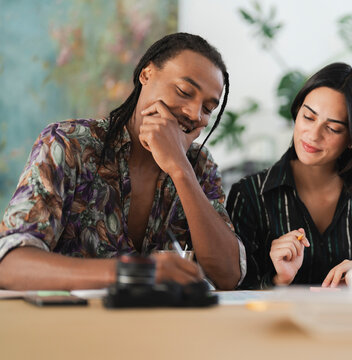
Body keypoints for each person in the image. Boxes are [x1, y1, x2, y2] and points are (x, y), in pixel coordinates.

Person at [0, 33, 245, 290]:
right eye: (184, 91)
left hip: (166, 330)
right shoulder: (67, 144)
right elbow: (9, 263)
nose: (194, 114)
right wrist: (133, 273)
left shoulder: (200, 165)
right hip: (72, 326)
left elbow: (228, 275)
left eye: (207, 109)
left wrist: (180, 168)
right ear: (146, 74)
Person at [226, 62, 352, 289]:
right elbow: (231, 288)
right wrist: (279, 280)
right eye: (308, 117)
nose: (313, 135)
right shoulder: (249, 195)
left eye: (334, 128)